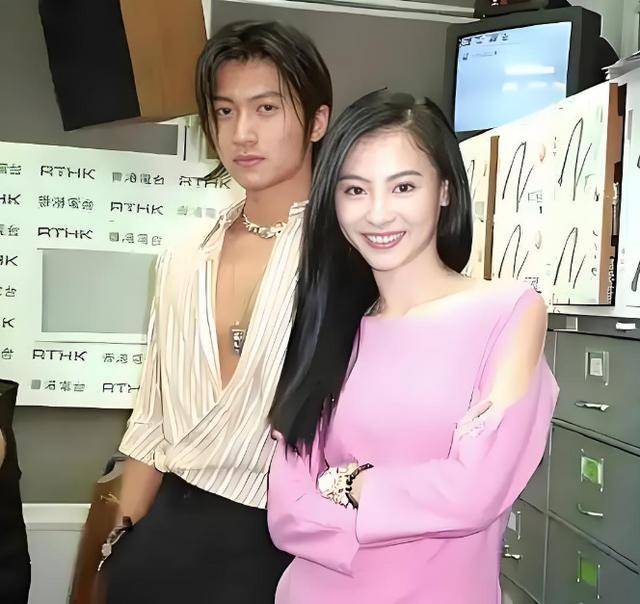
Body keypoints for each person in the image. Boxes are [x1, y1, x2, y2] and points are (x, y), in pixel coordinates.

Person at [267, 90, 559, 603]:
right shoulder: (329, 325)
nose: (378, 214)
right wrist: (409, 504)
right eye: (354, 190)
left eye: (403, 186)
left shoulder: (509, 311)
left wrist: (350, 484)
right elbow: (287, 513)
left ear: (444, 190)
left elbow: (477, 491)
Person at [100, 20, 331, 603]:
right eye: (225, 112)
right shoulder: (184, 257)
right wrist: (115, 547)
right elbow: (150, 423)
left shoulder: (347, 258)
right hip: (164, 539)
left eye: (266, 108)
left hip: (286, 550)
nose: (242, 133)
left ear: (317, 121)